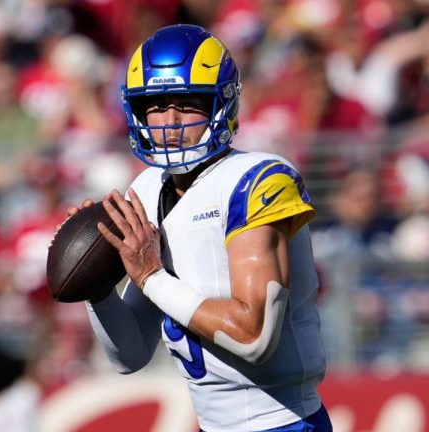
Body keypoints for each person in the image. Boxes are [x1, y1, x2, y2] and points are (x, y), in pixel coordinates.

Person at [74, 24, 332, 431]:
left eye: (187, 103)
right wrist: (96, 288)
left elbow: (255, 336)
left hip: (282, 422)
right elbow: (130, 355)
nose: (170, 121)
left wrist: (151, 276)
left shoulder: (258, 179)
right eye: (156, 105)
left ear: (221, 104)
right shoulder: (146, 189)